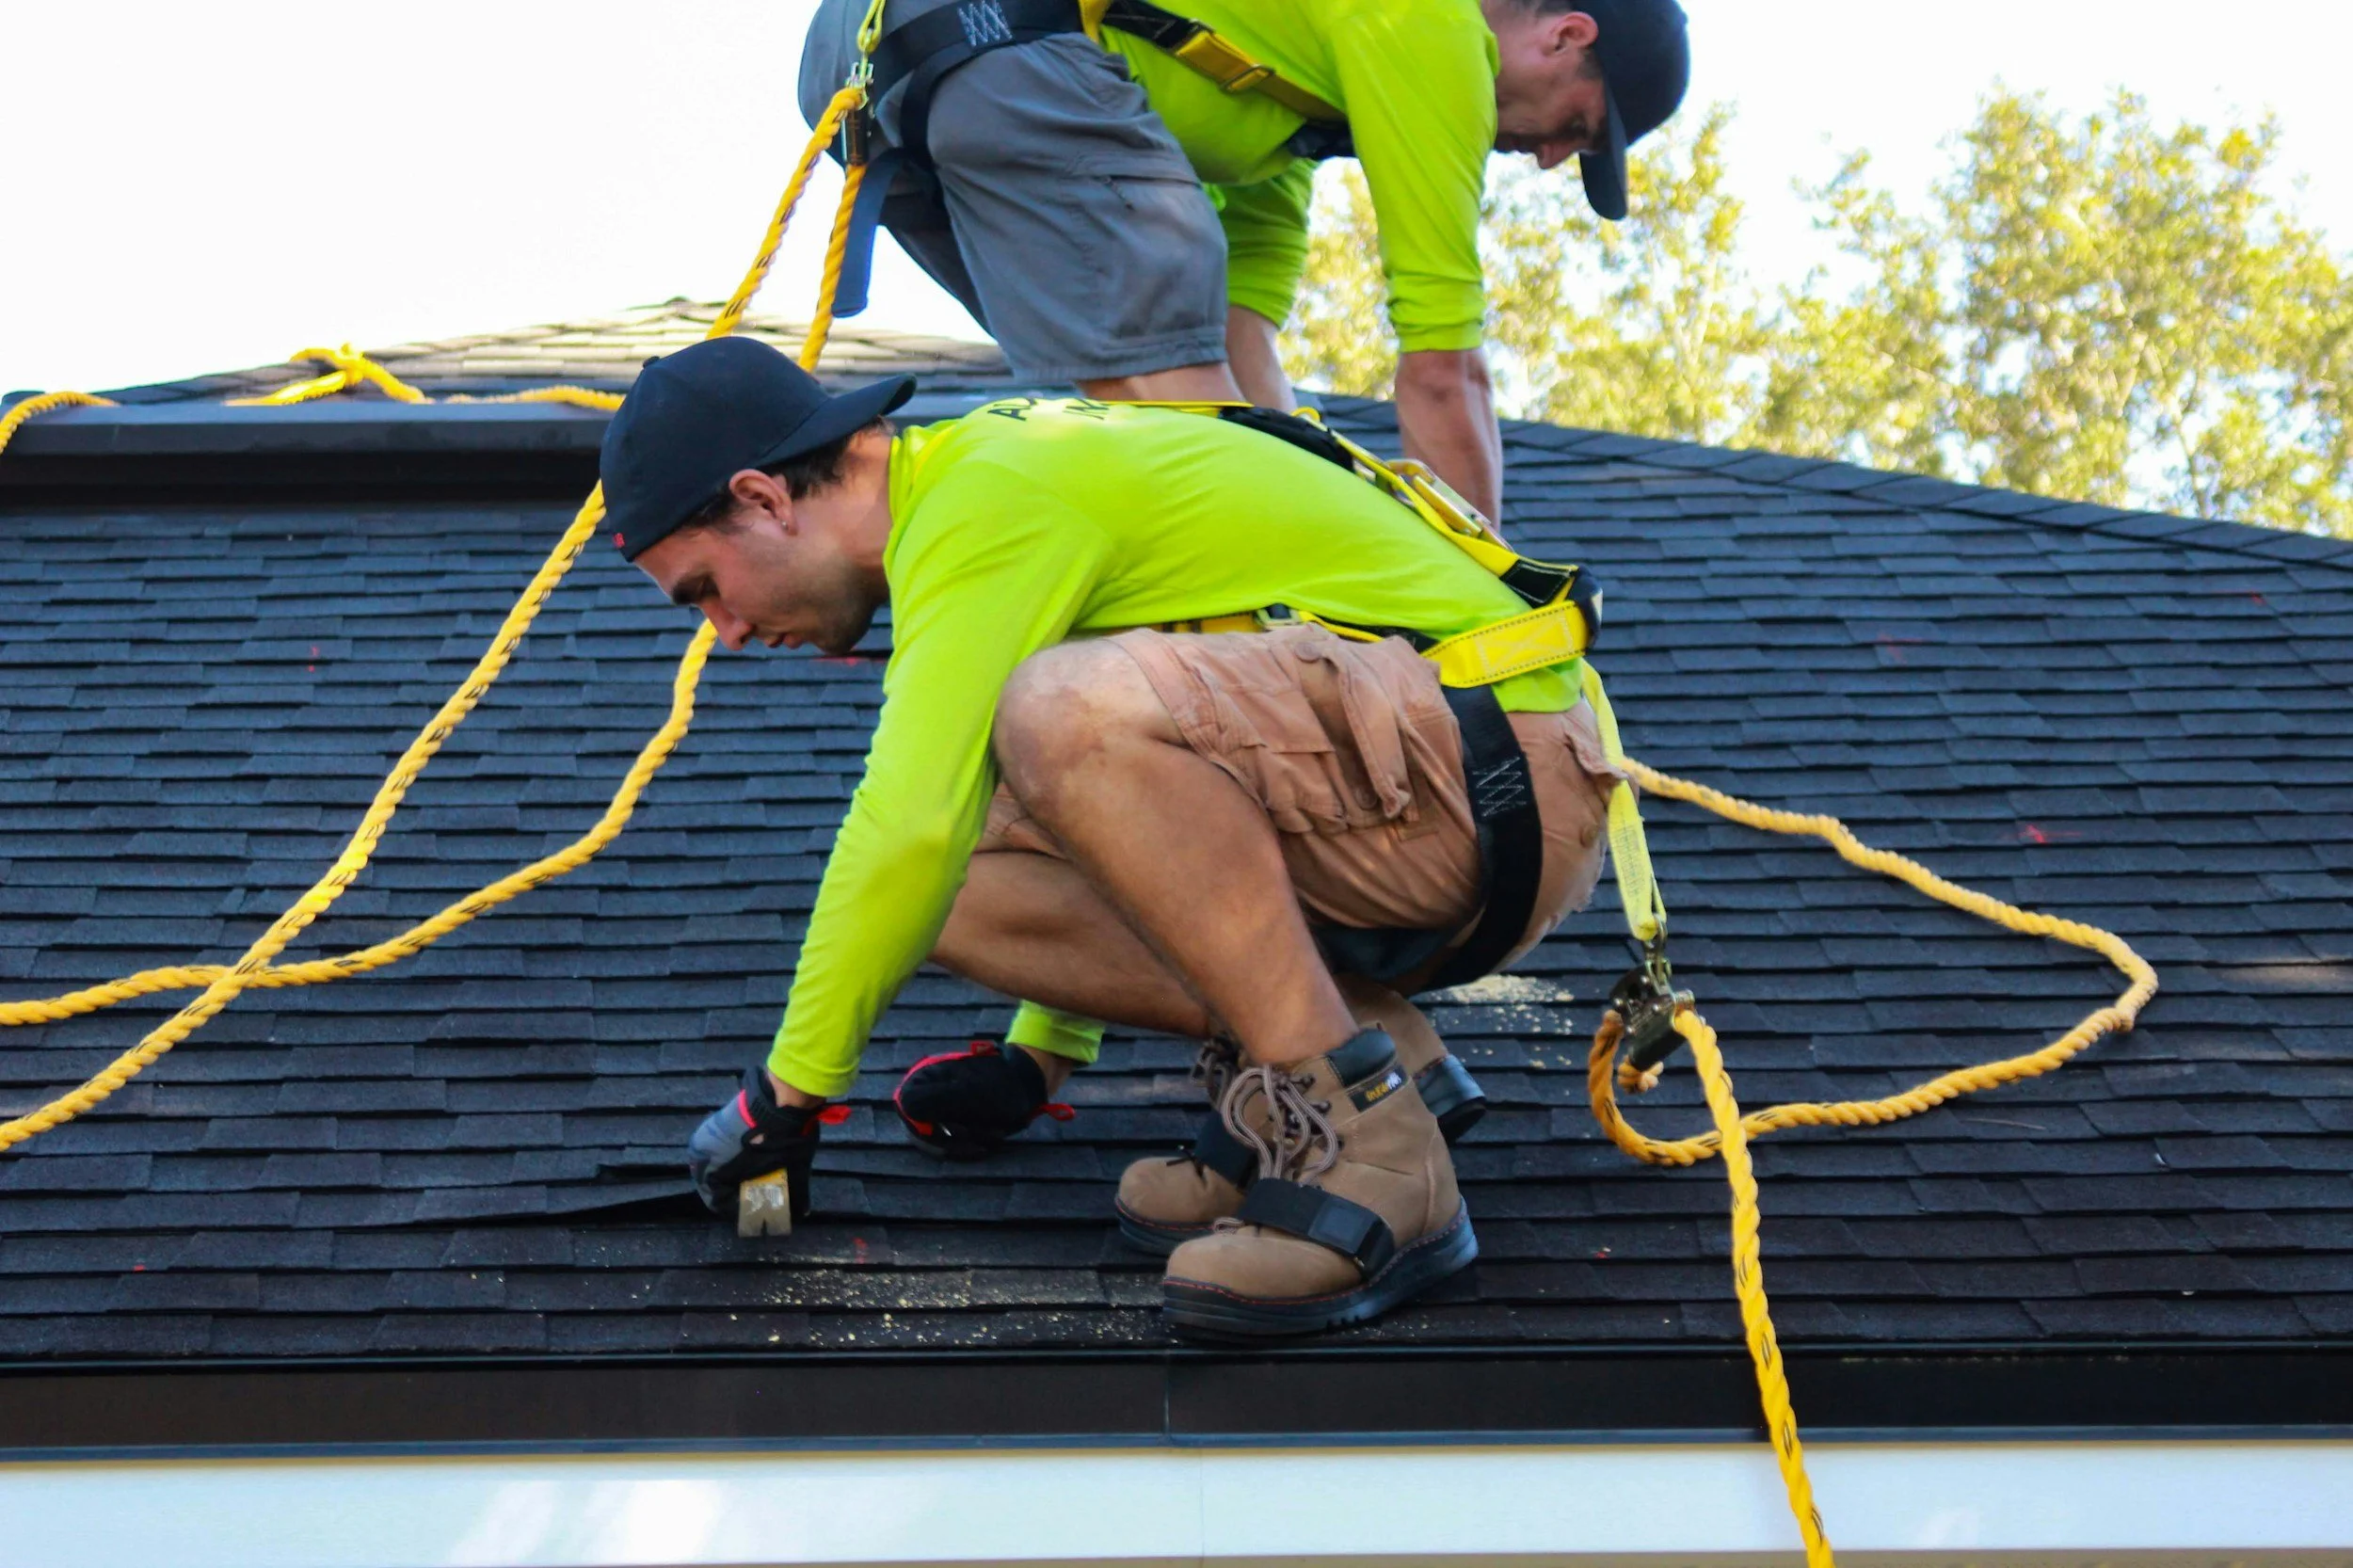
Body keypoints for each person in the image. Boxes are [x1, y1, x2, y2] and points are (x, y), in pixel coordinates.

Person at [601, 336, 1622, 1336]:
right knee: (957, 861)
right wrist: (1037, 1057)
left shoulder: (987, 494)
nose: (725, 634)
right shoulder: (983, 479)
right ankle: (1356, 1054)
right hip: (1426, 777)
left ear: (762, 498)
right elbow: (1072, 815)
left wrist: (783, 1100)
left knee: (1034, 726)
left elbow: (910, 821)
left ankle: (1381, 1154)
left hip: (1491, 766)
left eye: (704, 591)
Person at [797, 0, 1690, 524]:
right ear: (1567, 36)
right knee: (1208, 477)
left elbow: (1234, 339)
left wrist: (1315, 505)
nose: (1545, 161)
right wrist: (1485, 613)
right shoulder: (1438, 30)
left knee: (1163, 450)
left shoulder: (1283, 99)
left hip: (887, 74)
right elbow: (1445, 374)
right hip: (996, 39)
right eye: (1576, 128)